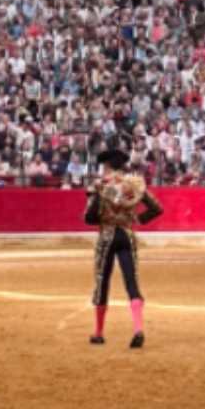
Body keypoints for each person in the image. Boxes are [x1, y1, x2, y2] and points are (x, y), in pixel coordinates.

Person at [85, 149, 163, 348]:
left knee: (102, 282)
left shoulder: (101, 186)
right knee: (132, 282)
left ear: (108, 166)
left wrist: (96, 200)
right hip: (127, 236)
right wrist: (138, 218)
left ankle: (99, 333)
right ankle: (138, 329)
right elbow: (157, 208)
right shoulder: (133, 185)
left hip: (107, 237)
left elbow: (89, 217)